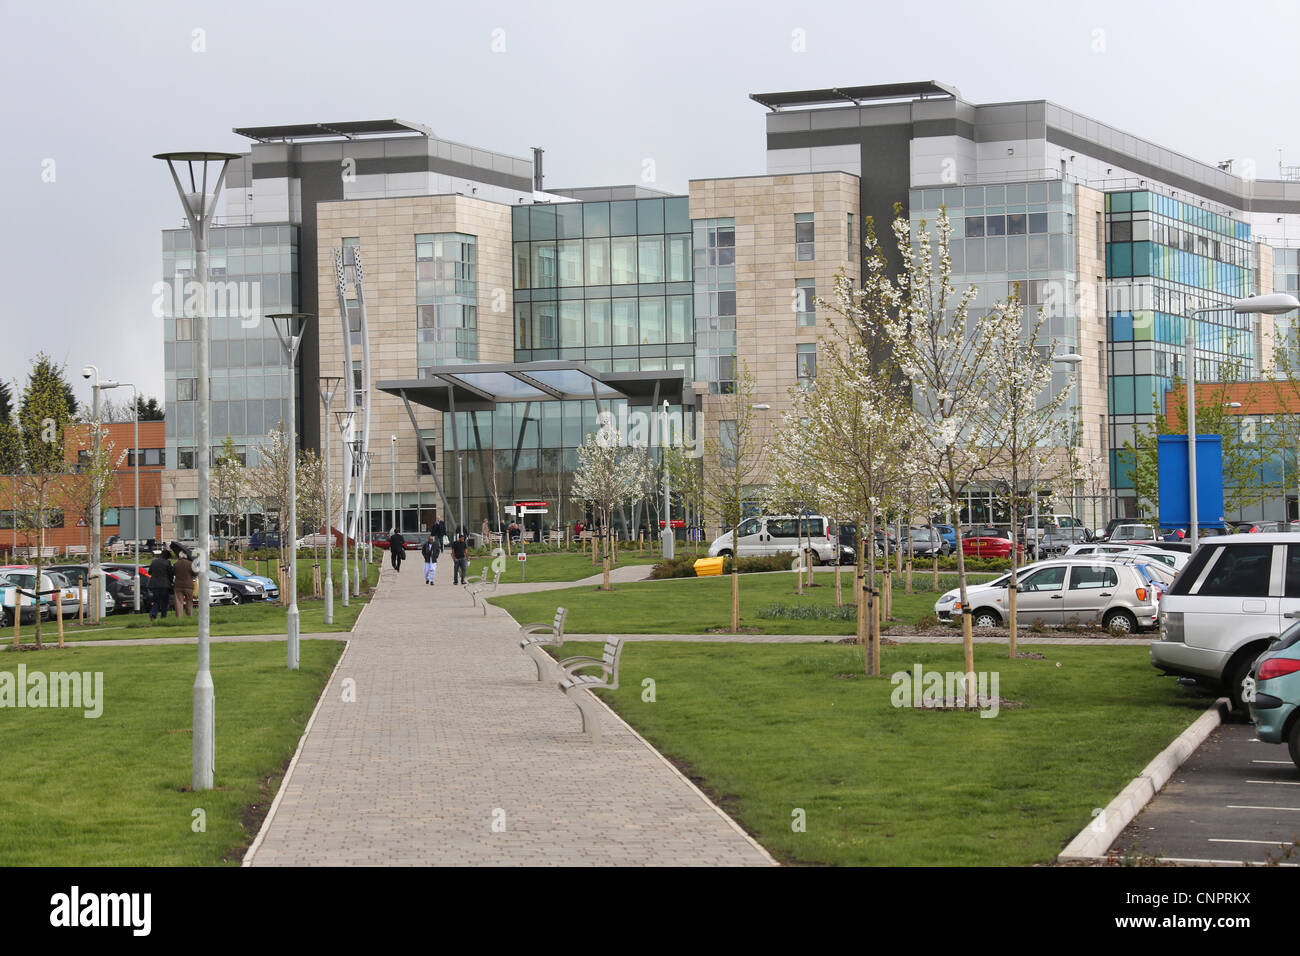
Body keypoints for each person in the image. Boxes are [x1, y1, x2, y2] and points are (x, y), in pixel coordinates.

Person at [147, 549, 174, 622]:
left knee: (156, 600)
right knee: (164, 601)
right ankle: (163, 616)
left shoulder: (154, 561)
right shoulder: (167, 562)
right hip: (165, 585)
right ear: (167, 556)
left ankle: (153, 613)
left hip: (154, 585)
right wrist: (171, 582)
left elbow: (149, 572)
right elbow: (170, 574)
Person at [171, 546, 195, 617]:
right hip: (188, 585)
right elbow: (195, 573)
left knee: (179, 602)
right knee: (189, 601)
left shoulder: (176, 564)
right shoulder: (190, 564)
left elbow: (173, 573)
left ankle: (179, 616)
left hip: (178, 585)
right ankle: (189, 614)